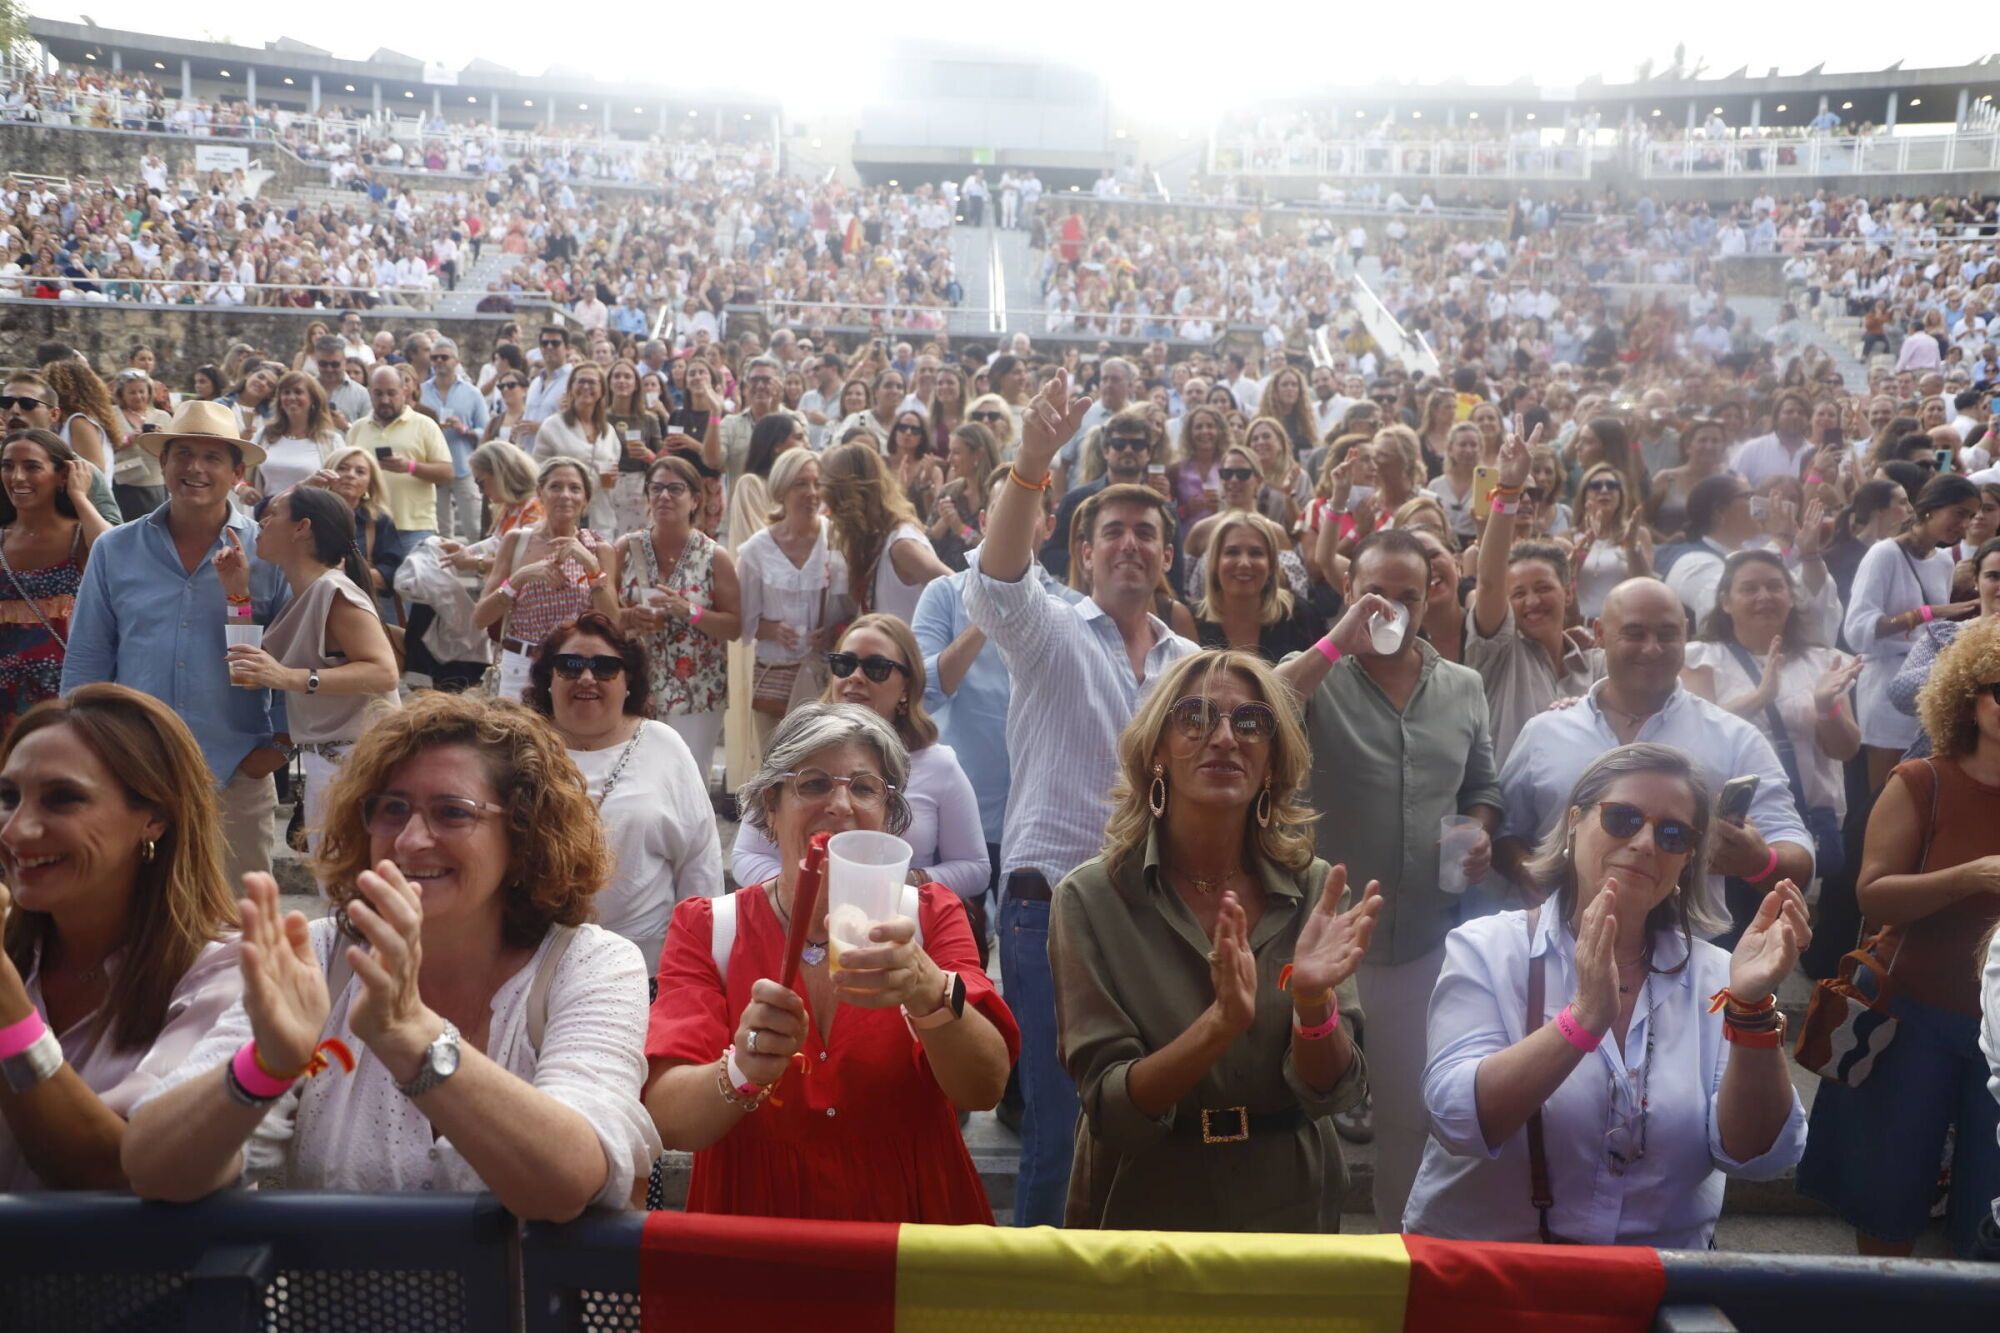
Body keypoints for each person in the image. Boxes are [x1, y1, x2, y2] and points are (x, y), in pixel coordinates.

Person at [123, 692, 661, 1217]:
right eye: (391, 809)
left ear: (523, 835)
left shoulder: (590, 964)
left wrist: (413, 1036)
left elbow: (568, 1180)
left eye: (452, 813)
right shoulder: (319, 956)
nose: (409, 840)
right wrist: (264, 1069)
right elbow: (151, 1167)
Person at [1405, 744, 1809, 1246]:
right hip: (1495, 1277)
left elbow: (1758, 1154)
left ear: (1687, 859)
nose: (1644, 843)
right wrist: (1581, 1023)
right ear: (1574, 821)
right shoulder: (1489, 948)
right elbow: (1456, 1118)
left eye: (1672, 833)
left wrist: (1749, 1011)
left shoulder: (1717, 976)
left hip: (1657, 1287)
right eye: (1622, 818)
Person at [964, 369, 1199, 1228]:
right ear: (1085, 554)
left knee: (1142, 1125)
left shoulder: (1187, 664)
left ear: (1168, 556)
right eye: (1113, 532)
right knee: (1060, 1131)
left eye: (1146, 532)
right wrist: (1032, 460)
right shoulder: (1052, 628)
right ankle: (1035, 1303)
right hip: (1052, 910)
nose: (1130, 543)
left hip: (1159, 911)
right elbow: (995, 579)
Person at [643, 703, 1017, 1222]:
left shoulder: (931, 918)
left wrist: (928, 991)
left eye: (864, 788)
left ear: (888, 818)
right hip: (755, 1236)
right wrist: (742, 1068)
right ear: (770, 809)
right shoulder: (709, 929)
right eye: (814, 783)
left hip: (909, 1234)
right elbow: (668, 1117)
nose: (841, 803)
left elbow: (985, 1085)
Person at [1050, 649, 1377, 1230]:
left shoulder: (1317, 889)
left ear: (1273, 762)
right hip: (1148, 1205)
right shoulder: (1091, 899)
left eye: (1250, 723)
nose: (1224, 736)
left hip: (1291, 1205)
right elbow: (1112, 1110)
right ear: (1156, 751)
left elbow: (1334, 1089)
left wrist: (1312, 1007)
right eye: (1195, 717)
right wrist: (1219, 1024)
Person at [1273, 527, 1503, 1225]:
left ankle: (1394, 1258)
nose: (1392, 611)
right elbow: (1264, 705)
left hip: (1420, 938)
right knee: (1301, 1109)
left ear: (1434, 594)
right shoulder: (1317, 670)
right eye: (1377, 593)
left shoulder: (1461, 684)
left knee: (1408, 1112)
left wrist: (1482, 831)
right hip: (1320, 937)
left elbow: (1482, 785)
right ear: (1349, 591)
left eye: (1409, 595)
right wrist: (1340, 637)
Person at [1797, 619, 2000, 1260]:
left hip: (1996, 1031)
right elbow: (1872, 896)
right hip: (1910, 1011)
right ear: (1969, 697)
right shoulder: (1922, 780)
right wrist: (1972, 876)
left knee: (1987, 1201)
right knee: (1887, 1194)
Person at [0, 685, 242, 1190]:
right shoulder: (15, 956)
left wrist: (9, 1017)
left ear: (154, 817)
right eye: (8, 798)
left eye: (63, 798)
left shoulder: (226, 975)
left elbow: (118, 1166)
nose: (16, 831)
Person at [1495, 578, 1815, 931]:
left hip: (1683, 962)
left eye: (1667, 634)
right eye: (1634, 633)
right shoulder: (1545, 732)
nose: (1652, 649)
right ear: (1599, 633)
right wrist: (1525, 869)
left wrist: (1759, 862)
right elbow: (1505, 831)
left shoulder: (1734, 738)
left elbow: (1797, 855)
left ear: (1686, 634)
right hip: (1556, 947)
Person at [60, 401, 289, 888]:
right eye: (182, 453)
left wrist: (278, 745)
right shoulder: (115, 549)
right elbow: (87, 659)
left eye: (211, 458)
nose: (195, 469)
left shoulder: (270, 554)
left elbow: (292, 652)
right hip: (134, 770)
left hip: (235, 768)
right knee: (134, 919)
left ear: (237, 472)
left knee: (240, 926)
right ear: (162, 464)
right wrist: (83, 749)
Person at [913, 467, 1076, 964]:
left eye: (1027, 514)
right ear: (985, 521)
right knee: (956, 960)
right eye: (1007, 512)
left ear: (1047, 527)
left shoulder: (1070, 607)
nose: (1014, 525)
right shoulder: (944, 594)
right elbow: (924, 693)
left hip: (1036, 815)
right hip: (961, 813)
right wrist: (990, 609)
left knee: (1032, 965)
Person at [731, 613, 989, 905]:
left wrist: (901, 881)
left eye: (876, 668)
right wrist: (803, 892)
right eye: (844, 664)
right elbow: (747, 854)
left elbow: (976, 869)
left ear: (907, 686)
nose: (855, 676)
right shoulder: (793, 750)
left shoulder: (940, 765)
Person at [526, 613, 721, 972]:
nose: (587, 677)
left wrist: (700, 967)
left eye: (604, 667)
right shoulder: (521, 747)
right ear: (549, 679)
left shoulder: (665, 746)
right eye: (570, 665)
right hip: (533, 963)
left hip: (642, 969)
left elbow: (699, 864)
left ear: (628, 680)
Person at [220, 485, 400, 855]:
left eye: (274, 514)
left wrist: (291, 678)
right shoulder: (304, 596)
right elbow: (248, 674)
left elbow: (385, 672)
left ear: (302, 528)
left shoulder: (333, 591)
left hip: (358, 764)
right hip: (330, 763)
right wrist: (237, 593)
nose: (262, 522)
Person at [1685, 550, 1863, 897]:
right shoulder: (1699, 658)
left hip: (1804, 820)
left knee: (1797, 926)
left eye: (1774, 587)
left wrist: (1827, 707)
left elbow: (1846, 749)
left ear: (1790, 597)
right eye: (1749, 588)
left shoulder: (1825, 660)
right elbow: (1695, 737)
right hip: (1730, 826)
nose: (1763, 597)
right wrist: (1760, 697)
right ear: (1725, 601)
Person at [1844, 474, 1981, 790]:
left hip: (1923, 685)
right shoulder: (1884, 553)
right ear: (1931, 508)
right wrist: (1925, 614)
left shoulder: (1944, 561)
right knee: (1885, 794)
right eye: (1959, 513)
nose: (1965, 524)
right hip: (1883, 688)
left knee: (1922, 791)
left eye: (1971, 516)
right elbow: (1857, 629)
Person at [1466, 430, 1594, 765]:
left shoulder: (1595, 664)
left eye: (1543, 588)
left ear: (1567, 592)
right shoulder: (1500, 653)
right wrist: (1507, 491)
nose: (1532, 601)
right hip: (1509, 813)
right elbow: (1490, 582)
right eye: (1518, 593)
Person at [608, 454, 736, 784]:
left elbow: (735, 626)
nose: (664, 496)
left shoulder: (713, 556)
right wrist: (630, 616)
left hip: (697, 690)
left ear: (695, 499)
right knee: (636, 777)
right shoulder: (626, 547)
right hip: (636, 686)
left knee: (689, 779)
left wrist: (687, 610)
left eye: (675, 489)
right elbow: (602, 615)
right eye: (657, 488)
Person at [473, 458, 618, 702]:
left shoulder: (600, 550)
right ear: (540, 492)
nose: (565, 495)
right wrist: (520, 578)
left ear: (586, 499)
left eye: (574, 488)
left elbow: (613, 621)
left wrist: (592, 569)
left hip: (574, 666)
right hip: (520, 664)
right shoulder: (517, 541)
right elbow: (481, 617)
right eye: (555, 487)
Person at [0, 429, 110, 739]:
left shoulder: (80, 537)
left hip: (66, 700)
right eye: (7, 465)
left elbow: (116, 556)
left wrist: (79, 496)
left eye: (32, 466)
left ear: (62, 474)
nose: (17, 477)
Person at [1889, 537, 2000, 755]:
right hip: (1946, 762)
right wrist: (1969, 656)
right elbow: (1899, 695)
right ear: (1976, 581)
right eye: (1993, 576)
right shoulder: (1944, 635)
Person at [821, 441, 950, 624]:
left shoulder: (902, 545)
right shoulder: (870, 541)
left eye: (834, 500)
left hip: (915, 651)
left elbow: (958, 592)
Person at [1191, 510, 1321, 663]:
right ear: (1214, 563)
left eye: (1256, 553)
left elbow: (1328, 670)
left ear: (1271, 565)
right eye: (1232, 552)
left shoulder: (1299, 615)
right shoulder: (1191, 622)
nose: (1244, 563)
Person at [346, 366, 454, 548]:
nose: (385, 400)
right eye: (378, 393)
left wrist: (410, 467)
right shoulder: (357, 428)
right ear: (370, 393)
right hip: (368, 527)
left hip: (413, 528)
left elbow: (447, 473)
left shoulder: (425, 425)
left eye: (391, 393)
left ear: (404, 392)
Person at [531, 363, 621, 535]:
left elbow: (612, 472)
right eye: (580, 381)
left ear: (602, 390)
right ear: (571, 388)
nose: (586, 386)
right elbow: (538, 471)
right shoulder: (553, 426)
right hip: (562, 514)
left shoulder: (609, 432)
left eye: (592, 382)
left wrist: (612, 478)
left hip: (599, 517)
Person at [419, 338, 488, 543]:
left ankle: (480, 570)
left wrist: (464, 429)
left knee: (474, 526)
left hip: (463, 466)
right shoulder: (421, 391)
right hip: (434, 467)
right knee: (440, 531)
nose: (439, 361)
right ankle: (443, 572)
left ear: (456, 360)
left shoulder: (472, 393)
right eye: (435, 357)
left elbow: (485, 431)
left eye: (444, 357)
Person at [1570, 463, 1655, 623]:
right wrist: (1587, 544)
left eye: (1612, 485)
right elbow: (1565, 581)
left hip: (1623, 624)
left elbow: (1644, 584)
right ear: (1584, 494)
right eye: (1596, 485)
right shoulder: (1570, 536)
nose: (1604, 490)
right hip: (1581, 625)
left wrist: (1631, 546)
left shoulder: (1639, 534)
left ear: (1621, 494)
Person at [251, 372, 343, 502]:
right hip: (267, 516)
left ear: (313, 400)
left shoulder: (331, 441)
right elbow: (240, 469)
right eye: (286, 392)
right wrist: (242, 488)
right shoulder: (264, 435)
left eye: (298, 392)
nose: (291, 397)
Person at [928, 422, 1003, 571]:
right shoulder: (949, 492)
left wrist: (961, 528)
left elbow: (999, 551)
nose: (949, 459)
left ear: (978, 454)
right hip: (946, 584)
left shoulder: (999, 495)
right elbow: (927, 543)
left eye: (956, 453)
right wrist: (942, 523)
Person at [605, 360, 664, 537]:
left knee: (636, 545)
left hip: (639, 489)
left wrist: (648, 455)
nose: (622, 380)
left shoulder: (649, 419)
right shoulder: (599, 416)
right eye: (617, 376)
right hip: (607, 486)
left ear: (636, 384)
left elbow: (662, 461)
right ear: (609, 382)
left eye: (627, 376)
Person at [109, 369, 169, 516]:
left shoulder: (163, 416)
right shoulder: (111, 414)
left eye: (142, 391)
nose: (138, 396)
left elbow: (172, 450)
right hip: (124, 483)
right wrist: (126, 441)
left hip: (156, 482)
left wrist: (159, 440)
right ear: (121, 393)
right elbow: (101, 447)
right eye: (132, 392)